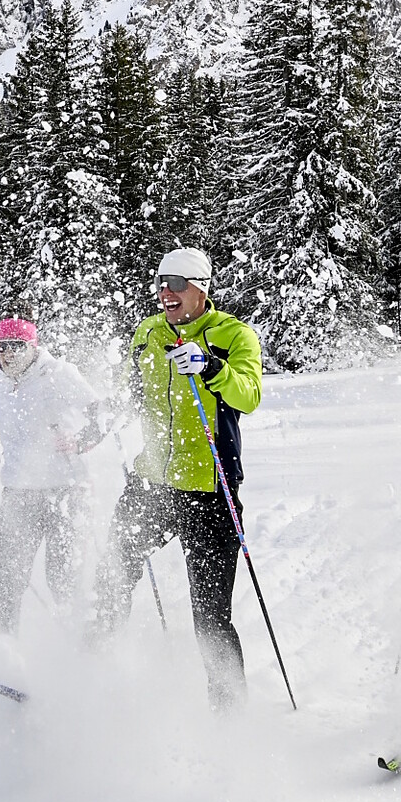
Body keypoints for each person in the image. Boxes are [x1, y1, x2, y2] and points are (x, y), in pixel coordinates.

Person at [93, 247, 263, 709]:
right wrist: (94, 424)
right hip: (151, 484)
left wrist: (210, 367)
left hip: (210, 490)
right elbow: (129, 392)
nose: (165, 292)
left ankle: (229, 714)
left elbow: (248, 395)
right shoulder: (147, 332)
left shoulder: (233, 335)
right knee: (110, 580)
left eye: (177, 283)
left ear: (201, 289)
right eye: (159, 282)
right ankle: (86, 681)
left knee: (210, 616)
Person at [0, 317, 104, 633]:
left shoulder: (60, 375)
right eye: (1, 347)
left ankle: (86, 654)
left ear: (33, 347)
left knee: (64, 580)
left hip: (68, 492)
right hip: (19, 494)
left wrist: (81, 440)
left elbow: (101, 413)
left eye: (16, 346)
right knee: (6, 581)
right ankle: (3, 659)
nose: (7, 354)